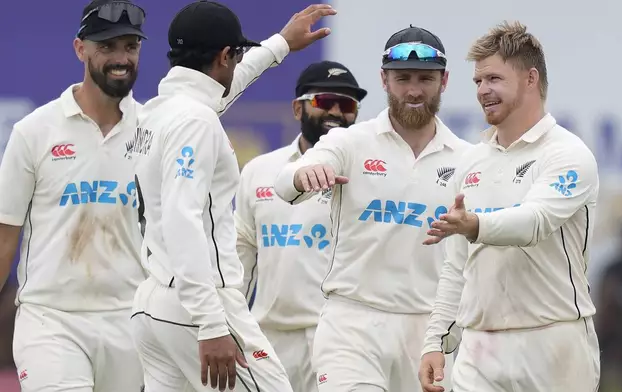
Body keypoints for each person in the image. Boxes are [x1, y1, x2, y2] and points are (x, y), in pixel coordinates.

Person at [128, 1, 337, 391]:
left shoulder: (159, 110)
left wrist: (280, 45)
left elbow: (219, 93)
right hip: (198, 307)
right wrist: (210, 324)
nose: (238, 64)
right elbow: (182, 219)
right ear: (225, 56)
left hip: (153, 304)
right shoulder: (195, 120)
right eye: (237, 55)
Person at [273, 26, 470, 392]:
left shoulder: (467, 159)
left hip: (428, 332)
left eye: (425, 78)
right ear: (383, 79)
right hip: (352, 322)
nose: (413, 90)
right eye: (402, 78)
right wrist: (305, 174)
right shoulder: (349, 141)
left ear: (444, 81)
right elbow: (285, 182)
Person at [418, 21, 601, 392]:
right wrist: (435, 341)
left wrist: (475, 226)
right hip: (479, 349)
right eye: (478, 82)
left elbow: (534, 223)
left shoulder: (568, 154)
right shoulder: (471, 163)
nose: (483, 90)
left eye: (494, 79)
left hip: (554, 344)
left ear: (531, 78)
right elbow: (456, 267)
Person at [0, 0, 148, 391]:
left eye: (130, 47)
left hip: (131, 321)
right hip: (51, 320)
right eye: (107, 47)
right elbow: (3, 237)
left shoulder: (155, 131)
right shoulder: (34, 131)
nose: (121, 59)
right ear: (80, 49)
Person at [234, 60, 367, 392]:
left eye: (347, 104)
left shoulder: (369, 172)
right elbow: (241, 261)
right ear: (298, 108)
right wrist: (231, 327)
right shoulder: (259, 170)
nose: (336, 111)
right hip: (270, 337)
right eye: (324, 102)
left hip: (341, 337)